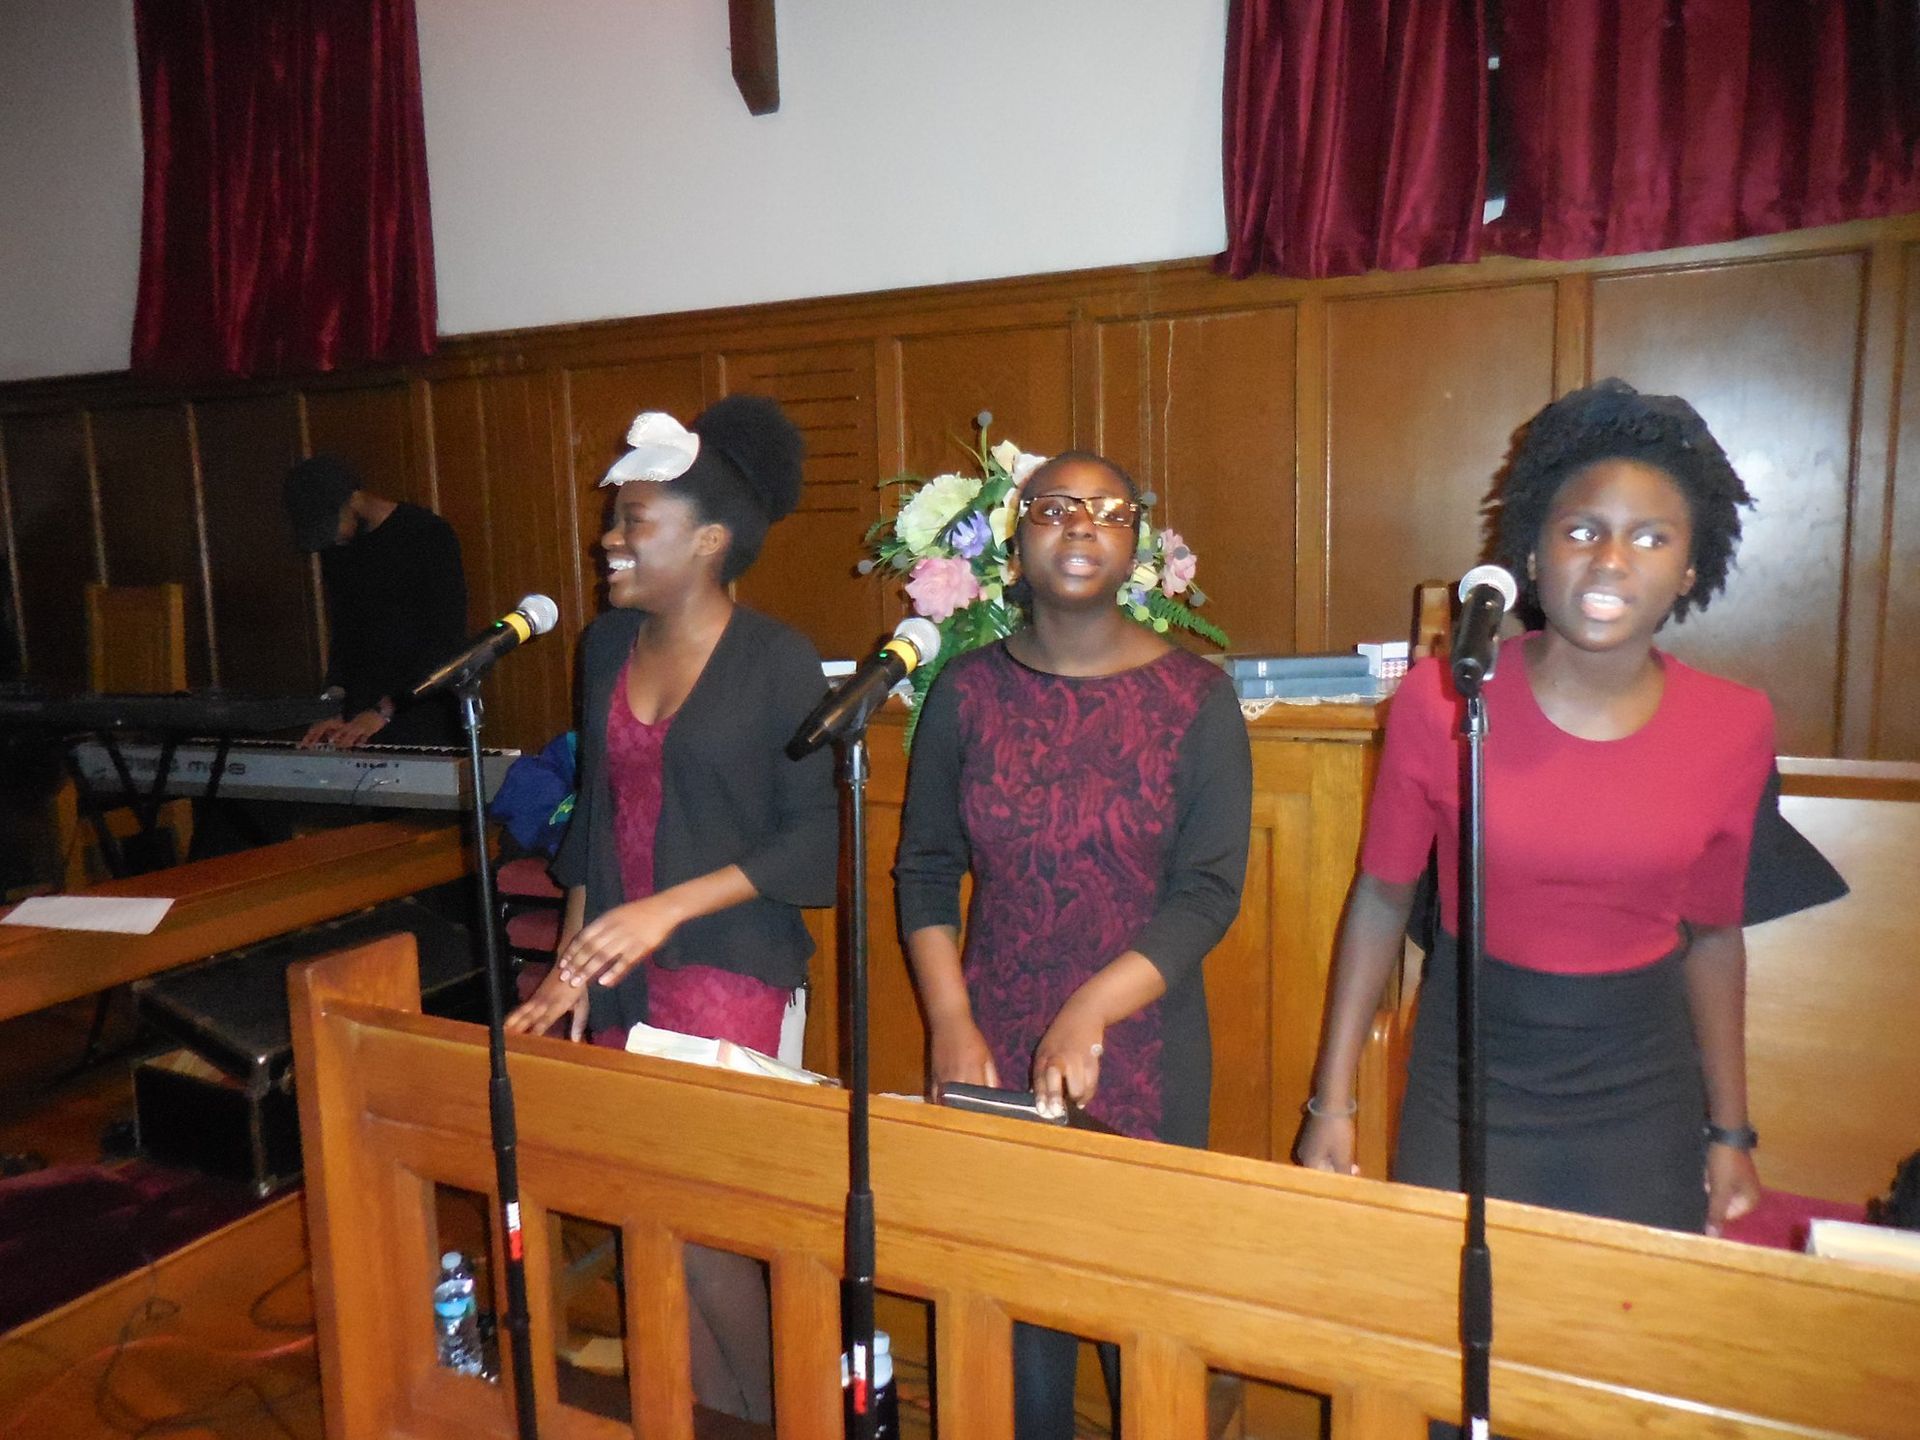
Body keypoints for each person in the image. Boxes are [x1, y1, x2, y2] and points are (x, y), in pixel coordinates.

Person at [1297, 379, 1774, 1246]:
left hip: (1640, 1081)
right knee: (1452, 1340)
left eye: (1651, 538)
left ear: (1692, 568)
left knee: (1612, 1339)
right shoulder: (1441, 701)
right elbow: (1378, 900)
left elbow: (1713, 935)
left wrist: (1729, 1131)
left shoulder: (1734, 725)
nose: (1611, 561)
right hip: (1469, 1064)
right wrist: (1332, 1100)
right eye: (1582, 530)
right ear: (1532, 553)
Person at [894, 451, 1252, 1440]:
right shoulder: (964, 695)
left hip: (1143, 1049)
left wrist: (1091, 1010)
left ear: (1135, 542)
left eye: (1107, 510)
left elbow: (1209, 893)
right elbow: (924, 872)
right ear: (1017, 544)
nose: (1082, 524)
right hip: (994, 1040)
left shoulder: (1197, 698)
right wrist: (950, 1021)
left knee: (1144, 1347)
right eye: (1055, 508)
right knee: (1014, 1351)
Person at [504, 394, 837, 1424]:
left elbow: (816, 841)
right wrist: (569, 968)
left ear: (706, 539)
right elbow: (598, 822)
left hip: (735, 969)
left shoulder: (778, 659)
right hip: (623, 979)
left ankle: (792, 1417)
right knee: (657, 1230)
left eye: (632, 522)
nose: (607, 541)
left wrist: (666, 911)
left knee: (714, 1235)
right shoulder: (606, 647)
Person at [283, 455, 468, 748]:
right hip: (361, 718)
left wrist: (386, 710)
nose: (332, 540)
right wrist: (330, 707)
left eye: (331, 526)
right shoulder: (339, 551)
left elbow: (445, 644)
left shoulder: (427, 535)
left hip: (424, 713)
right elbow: (345, 640)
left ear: (353, 500)